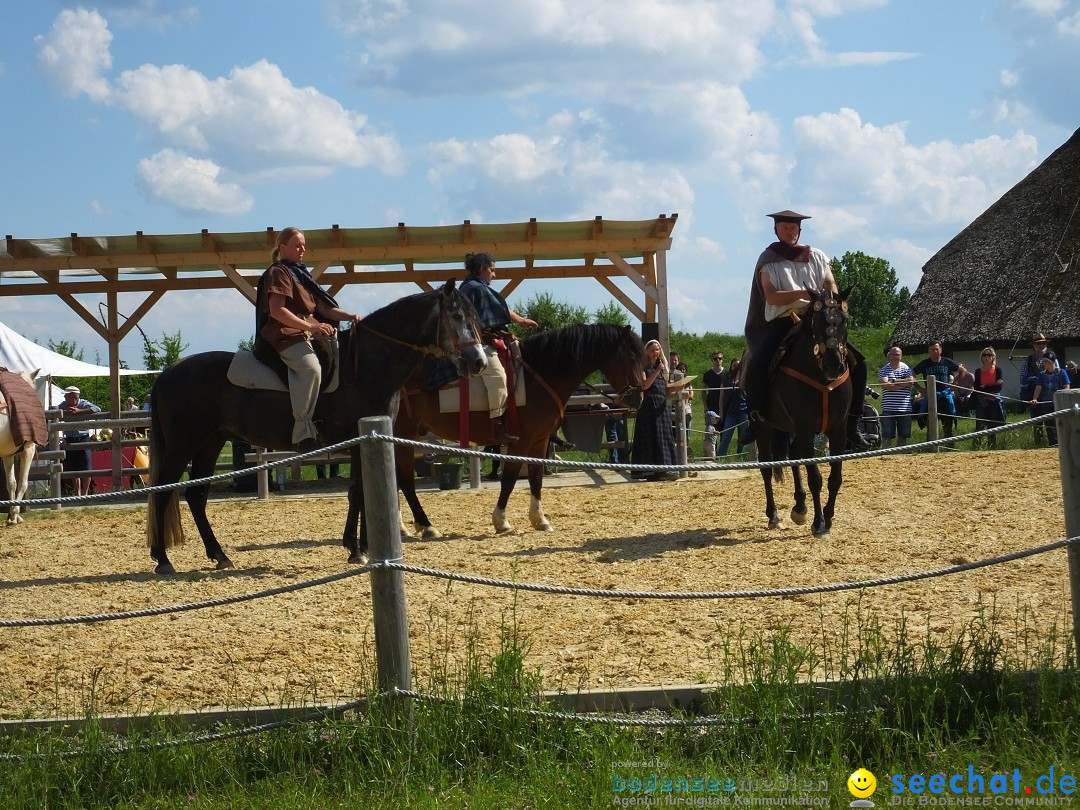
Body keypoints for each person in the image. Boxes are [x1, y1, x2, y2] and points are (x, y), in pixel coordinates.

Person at [742, 209, 870, 450]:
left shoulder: (817, 256)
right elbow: (771, 295)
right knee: (758, 362)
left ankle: (852, 423)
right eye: (784, 228)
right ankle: (756, 417)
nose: (789, 232)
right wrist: (804, 294)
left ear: (799, 230)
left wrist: (829, 299)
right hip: (783, 320)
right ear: (776, 230)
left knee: (859, 363)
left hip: (818, 320)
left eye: (793, 228)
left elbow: (830, 283)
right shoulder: (768, 259)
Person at [255, 227, 363, 453]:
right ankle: (302, 430)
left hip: (307, 331)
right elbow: (277, 311)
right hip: (284, 334)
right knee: (311, 369)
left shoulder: (302, 275)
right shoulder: (279, 272)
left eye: (303, 245)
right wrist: (310, 326)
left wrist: (350, 315)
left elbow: (325, 308)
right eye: (297, 245)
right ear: (283, 247)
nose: (302, 249)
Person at [458, 252, 538, 444]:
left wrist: (521, 321)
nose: (494, 275)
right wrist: (521, 321)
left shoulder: (473, 287)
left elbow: (498, 306)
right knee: (498, 377)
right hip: (477, 346)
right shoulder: (476, 288)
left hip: (483, 341)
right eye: (492, 270)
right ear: (482, 269)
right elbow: (500, 308)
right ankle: (497, 427)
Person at [629, 340, 678, 480]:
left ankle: (665, 470)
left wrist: (678, 387)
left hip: (661, 407)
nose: (655, 353)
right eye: (652, 350)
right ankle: (649, 472)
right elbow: (645, 385)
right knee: (650, 437)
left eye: (657, 350)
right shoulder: (643, 367)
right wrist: (656, 371)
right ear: (647, 352)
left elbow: (664, 387)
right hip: (649, 407)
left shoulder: (661, 368)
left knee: (664, 437)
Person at [58, 386, 101, 497]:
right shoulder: (63, 405)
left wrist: (79, 411)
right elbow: (53, 410)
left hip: (83, 439)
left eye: (66, 395)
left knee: (86, 466)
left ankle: (85, 493)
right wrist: (61, 412)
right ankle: (77, 493)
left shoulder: (83, 404)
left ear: (73, 395)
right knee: (73, 467)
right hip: (70, 439)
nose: (64, 397)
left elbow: (97, 409)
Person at [912, 341, 960, 438]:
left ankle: (949, 448)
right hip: (931, 397)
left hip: (945, 396)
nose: (935, 351)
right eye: (932, 349)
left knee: (947, 425)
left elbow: (963, 371)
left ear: (941, 350)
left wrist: (955, 382)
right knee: (931, 425)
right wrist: (920, 388)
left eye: (936, 349)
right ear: (929, 351)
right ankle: (930, 448)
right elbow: (911, 374)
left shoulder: (947, 362)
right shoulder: (924, 364)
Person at [1019, 332, 1055, 445]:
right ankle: (1039, 445)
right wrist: (1033, 380)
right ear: (1034, 346)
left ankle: (1053, 444)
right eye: (1039, 344)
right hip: (1035, 397)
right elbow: (1022, 380)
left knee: (1052, 422)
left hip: (1049, 396)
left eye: (1043, 343)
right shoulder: (1028, 361)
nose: (1042, 346)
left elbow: (1058, 374)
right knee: (1037, 422)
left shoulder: (1053, 359)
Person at [1029, 351, 1071, 446]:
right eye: (1043, 362)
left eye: (1046, 361)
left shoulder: (1061, 372)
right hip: (1046, 403)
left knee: (1060, 423)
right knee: (1049, 425)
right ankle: (1052, 444)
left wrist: (1063, 396)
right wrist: (1035, 398)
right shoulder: (1042, 374)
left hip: (1058, 403)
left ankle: (1063, 443)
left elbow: (1066, 385)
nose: (1044, 364)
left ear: (1051, 362)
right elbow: (1038, 387)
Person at [877, 346, 915, 449]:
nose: (895, 356)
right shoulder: (884, 370)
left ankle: (900, 454)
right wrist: (903, 383)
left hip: (905, 408)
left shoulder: (906, 368)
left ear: (901, 356)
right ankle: (886, 453)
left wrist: (893, 382)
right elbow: (885, 385)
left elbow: (911, 382)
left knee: (903, 434)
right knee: (887, 434)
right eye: (893, 354)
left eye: (897, 354)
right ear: (889, 356)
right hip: (888, 407)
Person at [971, 347, 1005, 449]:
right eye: (984, 355)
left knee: (992, 426)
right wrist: (992, 385)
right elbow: (977, 388)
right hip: (981, 401)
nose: (986, 357)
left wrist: (985, 386)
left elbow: (999, 387)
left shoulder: (998, 370)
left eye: (989, 355)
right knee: (979, 426)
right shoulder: (978, 371)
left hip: (994, 401)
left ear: (993, 357)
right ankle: (976, 447)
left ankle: (992, 447)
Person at [716, 357, 749, 457]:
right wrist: (721, 412)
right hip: (731, 412)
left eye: (738, 365)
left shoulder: (745, 377)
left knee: (743, 435)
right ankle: (721, 456)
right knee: (726, 435)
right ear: (731, 366)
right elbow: (721, 398)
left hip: (744, 411)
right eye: (734, 365)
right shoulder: (726, 379)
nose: (736, 367)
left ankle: (741, 456)